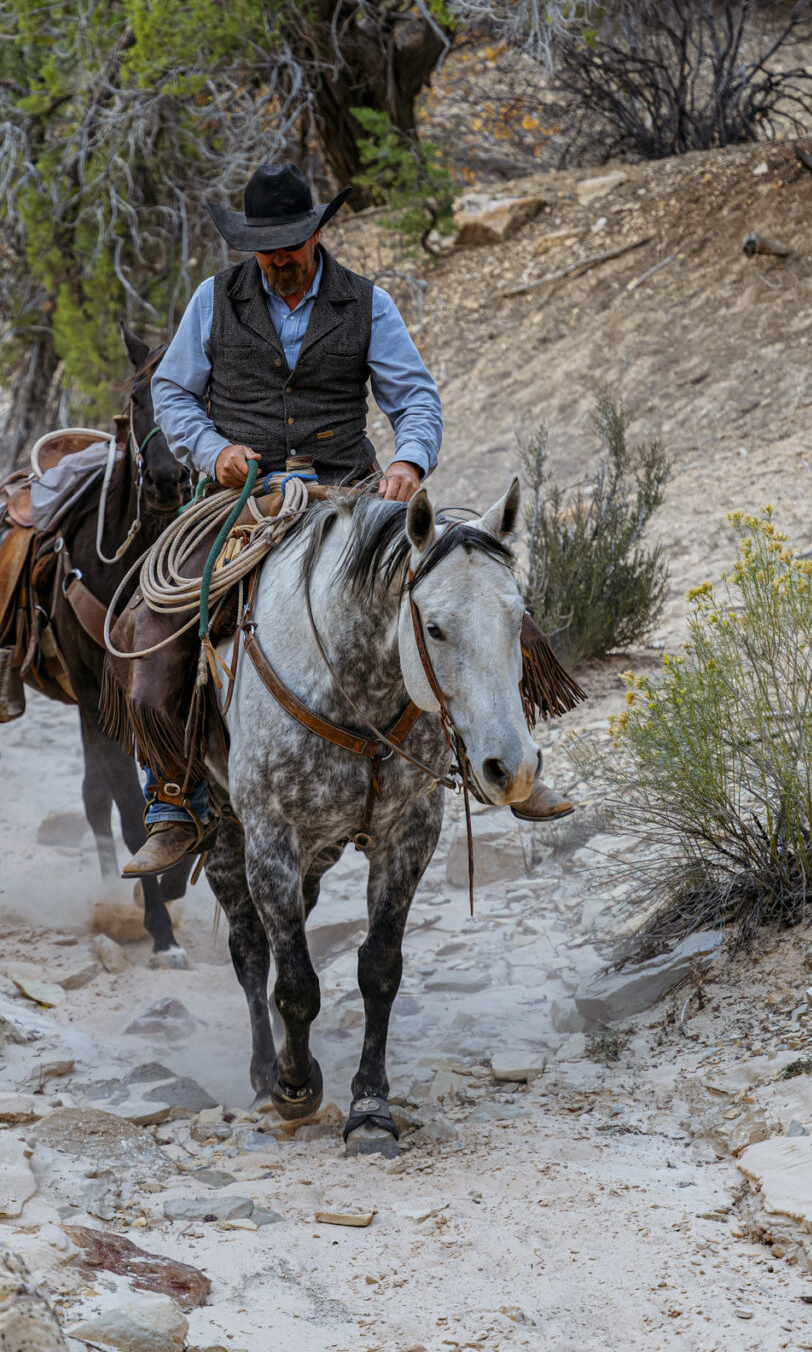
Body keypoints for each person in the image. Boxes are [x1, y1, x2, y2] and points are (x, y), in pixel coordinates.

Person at [116, 162, 570, 880]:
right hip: (245, 498)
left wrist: (410, 463)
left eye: (292, 246)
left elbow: (415, 396)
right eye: (266, 250)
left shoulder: (366, 302)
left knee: (475, 584)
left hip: (351, 493)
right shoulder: (213, 299)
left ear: (317, 233)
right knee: (162, 619)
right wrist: (213, 448)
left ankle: (512, 761)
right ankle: (175, 795)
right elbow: (172, 389)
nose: (280, 261)